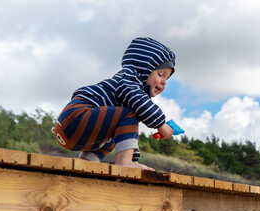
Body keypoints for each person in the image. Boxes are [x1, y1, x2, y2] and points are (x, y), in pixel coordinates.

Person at [53, 37, 176, 171]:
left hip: (73, 130)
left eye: (166, 78)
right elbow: (139, 102)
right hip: (77, 117)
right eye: (160, 74)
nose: (164, 82)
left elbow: (127, 134)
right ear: (143, 68)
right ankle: (124, 163)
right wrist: (160, 123)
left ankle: (86, 163)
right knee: (127, 115)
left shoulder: (131, 100)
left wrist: (134, 159)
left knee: (116, 133)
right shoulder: (129, 78)